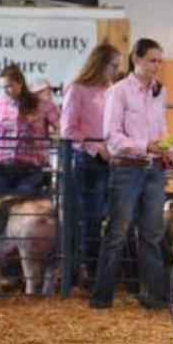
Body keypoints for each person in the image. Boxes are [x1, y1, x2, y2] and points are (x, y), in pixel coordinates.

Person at [89, 38, 173, 310]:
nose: (157, 66)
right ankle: (101, 297)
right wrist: (145, 146)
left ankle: (154, 297)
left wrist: (167, 148)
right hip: (127, 168)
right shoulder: (119, 91)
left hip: (153, 169)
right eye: (152, 60)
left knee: (152, 234)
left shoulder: (158, 91)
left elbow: (160, 129)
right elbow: (112, 137)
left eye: (159, 60)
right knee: (118, 233)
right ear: (136, 59)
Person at [61, 42, 122, 286]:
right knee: (93, 220)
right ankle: (93, 276)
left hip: (115, 161)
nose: (116, 71)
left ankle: (109, 274)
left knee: (116, 220)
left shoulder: (114, 90)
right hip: (89, 162)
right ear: (101, 64)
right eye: (113, 66)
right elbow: (68, 130)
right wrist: (96, 148)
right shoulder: (77, 90)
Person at [0, 64, 60, 197]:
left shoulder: (42, 104)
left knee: (24, 206)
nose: (6, 91)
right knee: (3, 208)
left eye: (9, 86)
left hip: (30, 164)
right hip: (1, 164)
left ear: (20, 82)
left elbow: (61, 125)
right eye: (2, 87)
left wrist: (53, 133)